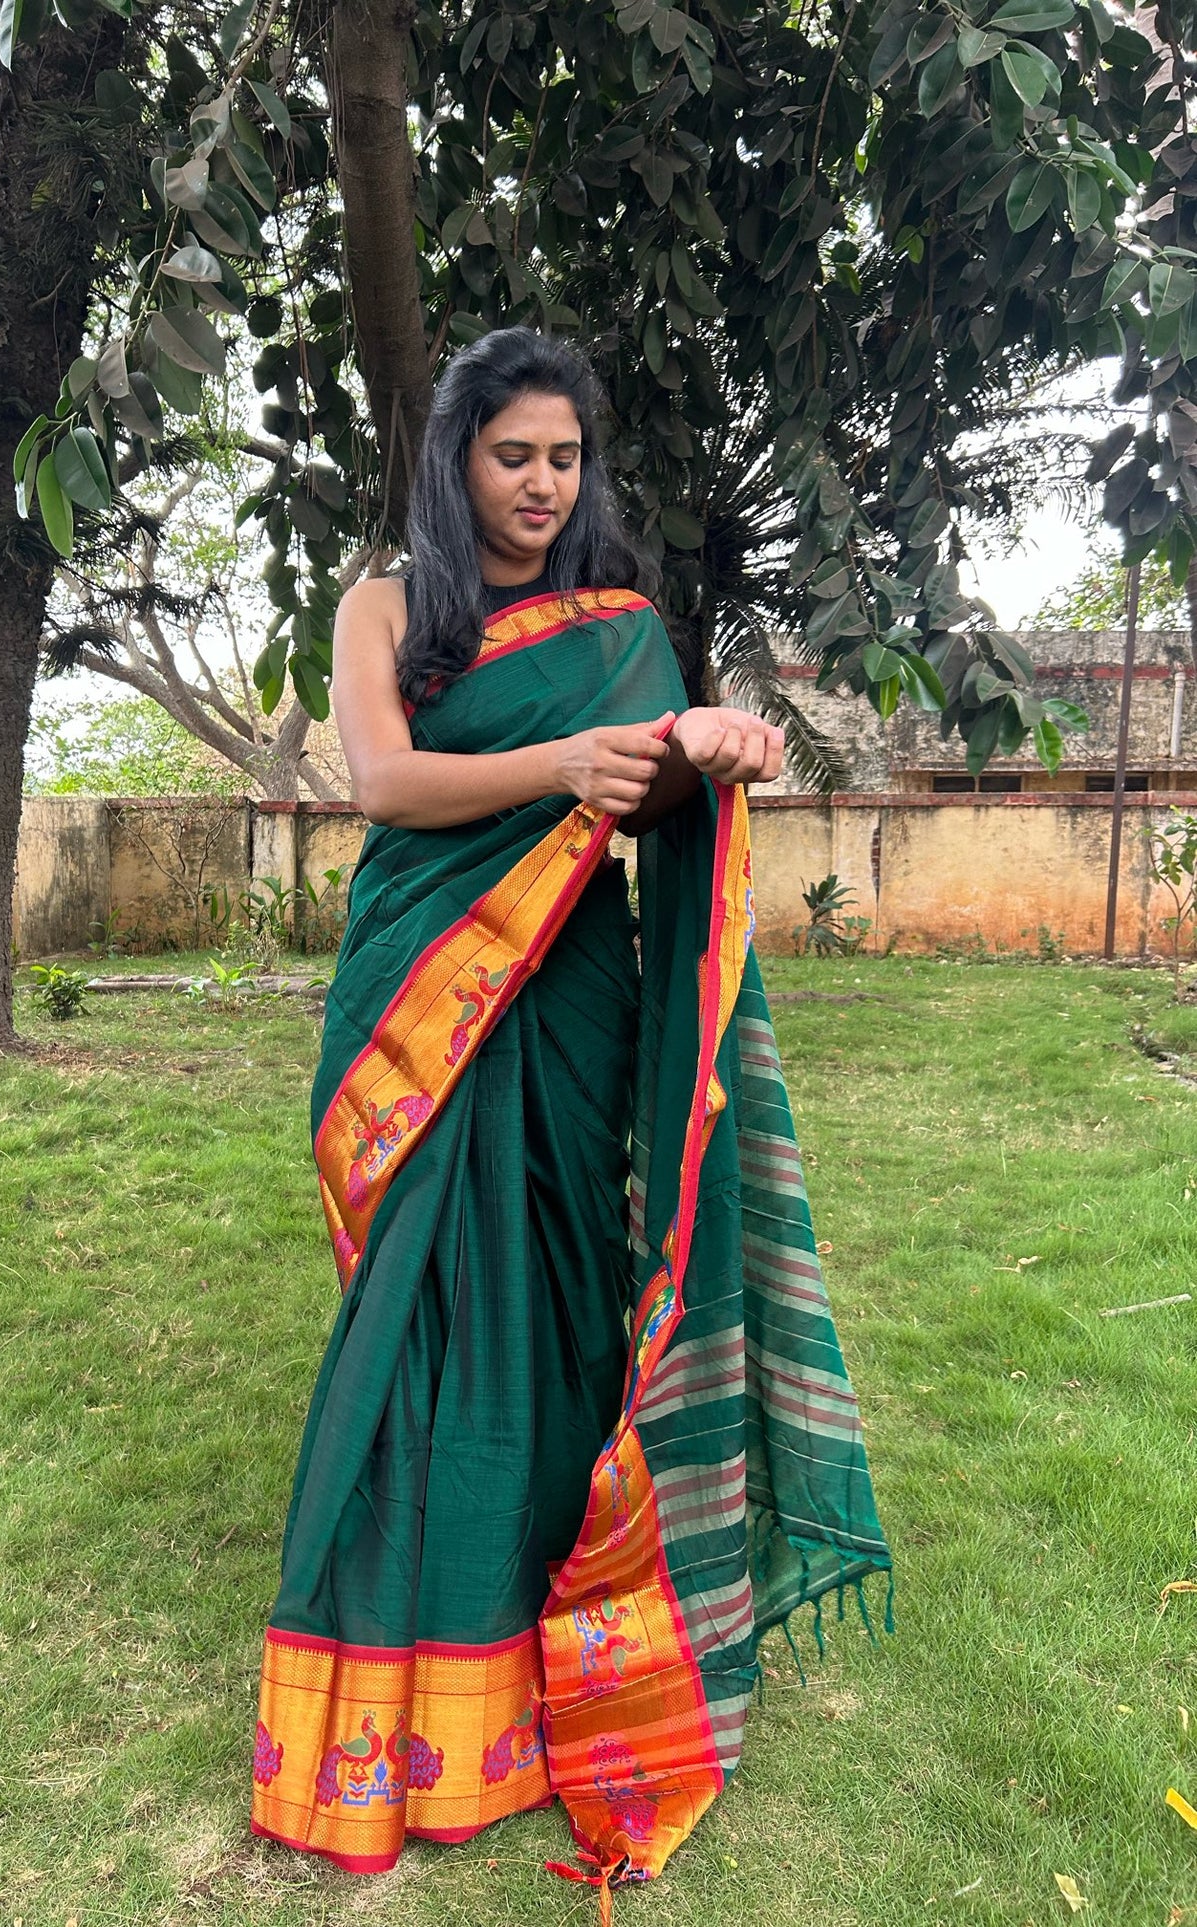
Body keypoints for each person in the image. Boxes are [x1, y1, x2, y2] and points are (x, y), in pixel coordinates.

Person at [248, 327, 891, 1918]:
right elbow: (386, 785)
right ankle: (383, 1664)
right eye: (510, 454)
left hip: (567, 995)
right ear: (454, 459)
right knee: (416, 1316)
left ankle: (541, 1644)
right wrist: (569, 760)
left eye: (563, 457)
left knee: (551, 1307)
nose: (541, 484)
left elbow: (652, 797)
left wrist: (707, 748)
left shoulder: (618, 627)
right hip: (422, 985)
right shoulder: (387, 607)